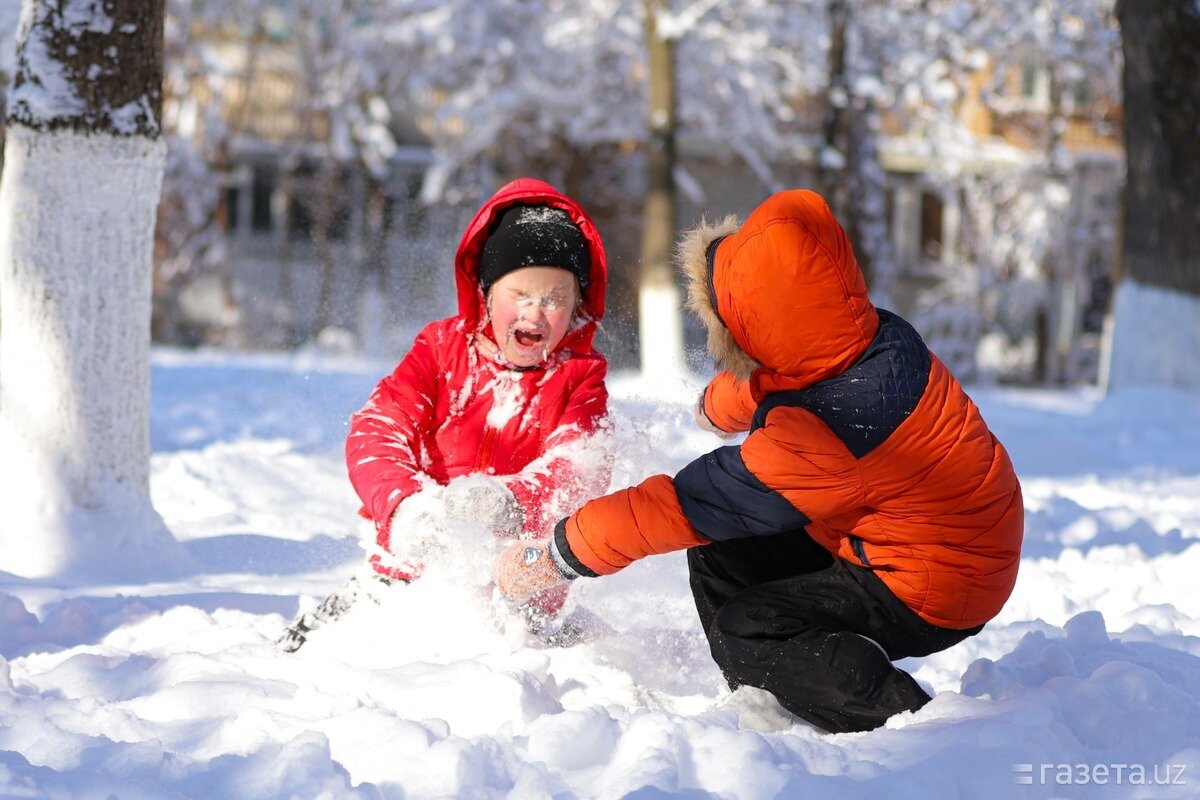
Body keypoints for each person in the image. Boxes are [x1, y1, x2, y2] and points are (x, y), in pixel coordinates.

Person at [494, 189, 1023, 733]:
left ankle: (905, 720)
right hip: (928, 537)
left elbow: (687, 505)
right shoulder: (873, 336)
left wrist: (559, 552)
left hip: (940, 585)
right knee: (722, 554)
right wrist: (720, 404)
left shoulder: (822, 437)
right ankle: (770, 691)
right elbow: (796, 373)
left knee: (749, 624)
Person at [280, 177, 612, 652]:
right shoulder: (440, 350)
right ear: (485, 292)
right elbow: (378, 428)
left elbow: (582, 465)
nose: (536, 313)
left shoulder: (580, 376)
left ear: (578, 304)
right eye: (520, 293)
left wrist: (512, 499)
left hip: (520, 590)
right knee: (315, 653)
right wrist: (404, 506)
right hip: (414, 568)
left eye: (556, 299)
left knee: (541, 669)